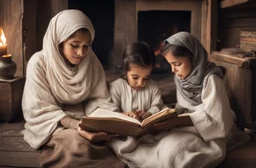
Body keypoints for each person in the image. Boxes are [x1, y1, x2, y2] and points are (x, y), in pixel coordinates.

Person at [107, 32, 249, 168]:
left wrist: (176, 121)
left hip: (210, 131)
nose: (173, 70)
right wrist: (168, 115)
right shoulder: (181, 79)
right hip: (187, 124)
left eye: (177, 64)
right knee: (162, 143)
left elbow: (218, 120)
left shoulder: (211, 79)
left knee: (174, 151)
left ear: (194, 58)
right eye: (170, 64)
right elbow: (182, 105)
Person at [21, 9, 127, 167]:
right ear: (59, 41)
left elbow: (98, 99)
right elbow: (39, 109)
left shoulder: (90, 60)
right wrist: (77, 126)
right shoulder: (39, 63)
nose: (81, 53)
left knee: (117, 139)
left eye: (86, 46)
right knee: (78, 144)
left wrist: (115, 118)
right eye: (75, 45)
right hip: (54, 123)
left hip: (85, 117)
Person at [109, 42, 166, 120]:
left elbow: (158, 105)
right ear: (126, 70)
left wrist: (148, 114)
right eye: (135, 77)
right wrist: (125, 114)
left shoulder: (153, 86)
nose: (140, 83)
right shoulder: (116, 87)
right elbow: (111, 109)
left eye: (146, 78)